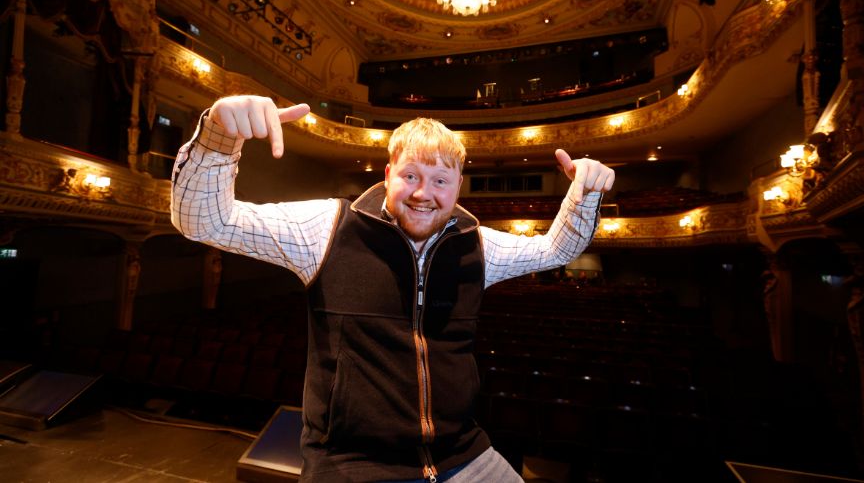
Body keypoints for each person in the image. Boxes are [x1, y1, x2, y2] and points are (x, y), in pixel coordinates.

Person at [171, 95, 615, 482]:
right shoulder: (326, 228)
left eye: (441, 180)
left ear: (458, 186)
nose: (424, 193)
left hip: (464, 454)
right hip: (350, 463)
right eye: (411, 176)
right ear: (387, 174)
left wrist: (585, 193)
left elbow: (556, 250)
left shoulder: (478, 245)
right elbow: (205, 222)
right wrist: (217, 138)